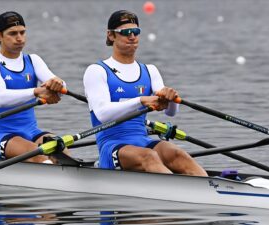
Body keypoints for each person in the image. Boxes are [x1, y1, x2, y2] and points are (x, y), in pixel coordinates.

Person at [83, 10, 207, 176]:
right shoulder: (97, 71)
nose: (132, 36)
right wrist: (140, 100)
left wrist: (170, 99)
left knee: (178, 154)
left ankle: (211, 191)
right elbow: (103, 114)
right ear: (111, 35)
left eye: (136, 32)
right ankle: (178, 192)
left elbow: (170, 113)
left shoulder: (150, 71)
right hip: (112, 146)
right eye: (126, 32)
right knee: (149, 157)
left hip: (142, 141)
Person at [0, 11, 67, 163]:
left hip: (32, 132)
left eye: (22, 32)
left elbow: (61, 88)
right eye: (12, 33)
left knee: (63, 152)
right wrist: (37, 91)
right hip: (2, 136)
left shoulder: (33, 60)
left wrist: (58, 84)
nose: (19, 38)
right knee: (40, 156)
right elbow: (0, 99)